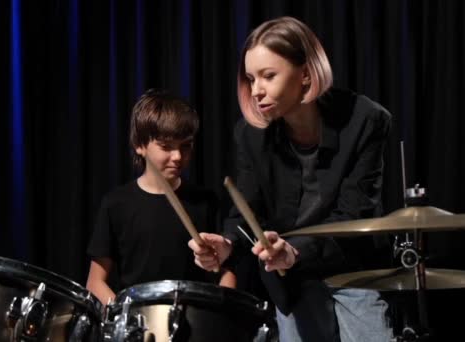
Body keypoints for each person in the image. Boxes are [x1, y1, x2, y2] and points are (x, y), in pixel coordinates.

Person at [189, 17, 392, 342]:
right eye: (251, 78)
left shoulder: (365, 120)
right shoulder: (250, 135)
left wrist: (295, 251)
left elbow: (355, 217)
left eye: (269, 76)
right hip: (290, 278)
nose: (256, 90)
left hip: (354, 268)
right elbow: (245, 215)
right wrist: (226, 245)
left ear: (307, 73)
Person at [86, 89, 235, 306]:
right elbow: (95, 282)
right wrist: (125, 317)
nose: (177, 157)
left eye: (185, 146)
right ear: (140, 145)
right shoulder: (116, 204)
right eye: (166, 146)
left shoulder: (206, 201)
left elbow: (225, 273)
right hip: (137, 327)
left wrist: (221, 311)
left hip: (195, 322)